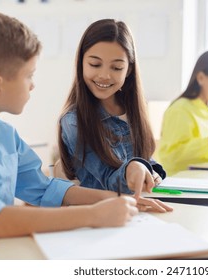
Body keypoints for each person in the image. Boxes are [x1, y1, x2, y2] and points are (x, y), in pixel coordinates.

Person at [0, 12, 166, 259]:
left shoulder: (5, 135)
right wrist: (94, 215)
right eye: (29, 75)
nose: (32, 85)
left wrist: (117, 200)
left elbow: (46, 189)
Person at [58, 18, 172, 208]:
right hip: (99, 217)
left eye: (117, 67)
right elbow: (108, 179)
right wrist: (134, 169)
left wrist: (151, 171)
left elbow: (144, 158)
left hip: (138, 210)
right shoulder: (73, 121)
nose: (104, 75)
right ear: (81, 64)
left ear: (128, 70)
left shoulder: (133, 111)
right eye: (95, 64)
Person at [157, 50, 208, 176]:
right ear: (201, 78)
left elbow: (206, 155)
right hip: (179, 183)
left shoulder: (207, 109)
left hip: (202, 178)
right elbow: (172, 156)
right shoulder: (181, 109)